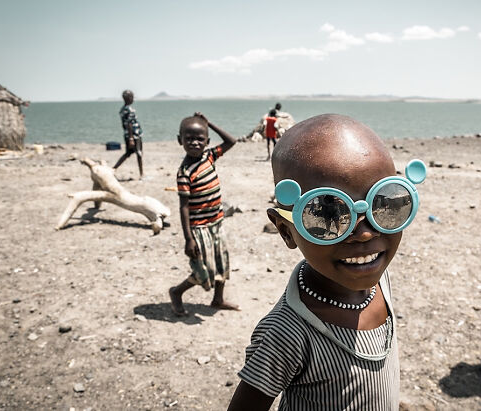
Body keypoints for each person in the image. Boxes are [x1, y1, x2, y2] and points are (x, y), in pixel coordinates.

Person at [228, 114, 427, 410]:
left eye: (384, 203)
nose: (365, 232)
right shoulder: (287, 333)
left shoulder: (378, 280)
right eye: (326, 213)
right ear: (286, 230)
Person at [168, 112, 240, 316]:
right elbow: (183, 207)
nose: (194, 142)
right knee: (203, 269)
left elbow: (231, 141)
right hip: (199, 229)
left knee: (222, 262)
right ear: (179, 140)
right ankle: (176, 292)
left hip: (216, 222)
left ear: (207, 141)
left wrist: (209, 122)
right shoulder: (184, 173)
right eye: (188, 138)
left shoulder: (210, 156)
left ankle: (218, 299)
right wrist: (188, 239)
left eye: (200, 138)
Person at [113, 90, 144, 179]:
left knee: (128, 153)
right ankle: (141, 174)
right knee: (139, 153)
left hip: (129, 135)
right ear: (128, 98)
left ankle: (113, 168)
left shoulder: (123, 110)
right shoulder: (128, 110)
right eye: (132, 97)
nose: (133, 99)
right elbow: (129, 124)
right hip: (134, 135)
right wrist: (131, 138)